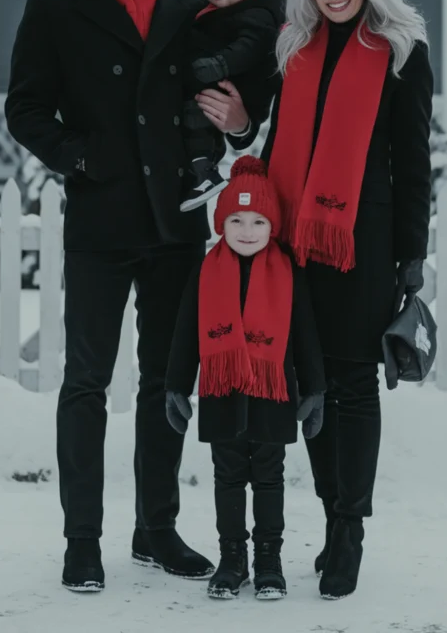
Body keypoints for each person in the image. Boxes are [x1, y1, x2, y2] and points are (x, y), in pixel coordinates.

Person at [4, 0, 255, 593]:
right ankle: (83, 538)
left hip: (173, 223)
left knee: (165, 383)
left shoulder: (186, 11)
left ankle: (156, 529)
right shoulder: (54, 8)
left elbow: (226, 106)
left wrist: (239, 123)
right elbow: (26, 110)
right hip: (98, 222)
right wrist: (80, 157)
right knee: (85, 382)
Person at [261, 0, 433, 601]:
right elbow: (276, 140)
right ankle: (334, 517)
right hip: (295, 241)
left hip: (363, 242)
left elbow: (411, 162)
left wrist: (411, 256)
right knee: (312, 377)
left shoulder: (400, 52)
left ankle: (348, 528)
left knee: (354, 385)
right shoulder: (294, 50)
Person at [165, 156, 325, 601]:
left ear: (272, 224)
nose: (247, 230)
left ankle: (269, 561)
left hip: (273, 394)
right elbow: (185, 333)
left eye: (258, 220)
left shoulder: (289, 273)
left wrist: (314, 389)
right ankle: (232, 559)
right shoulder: (206, 270)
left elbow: (306, 334)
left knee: (269, 477)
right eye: (236, 219)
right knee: (228, 476)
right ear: (221, 222)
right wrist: (176, 385)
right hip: (222, 392)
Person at [180, 0, 286, 212]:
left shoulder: (259, 15)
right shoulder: (211, 13)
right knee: (194, 118)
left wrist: (217, 65)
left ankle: (205, 171)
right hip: (220, 85)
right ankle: (201, 169)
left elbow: (247, 48)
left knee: (196, 116)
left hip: (243, 88)